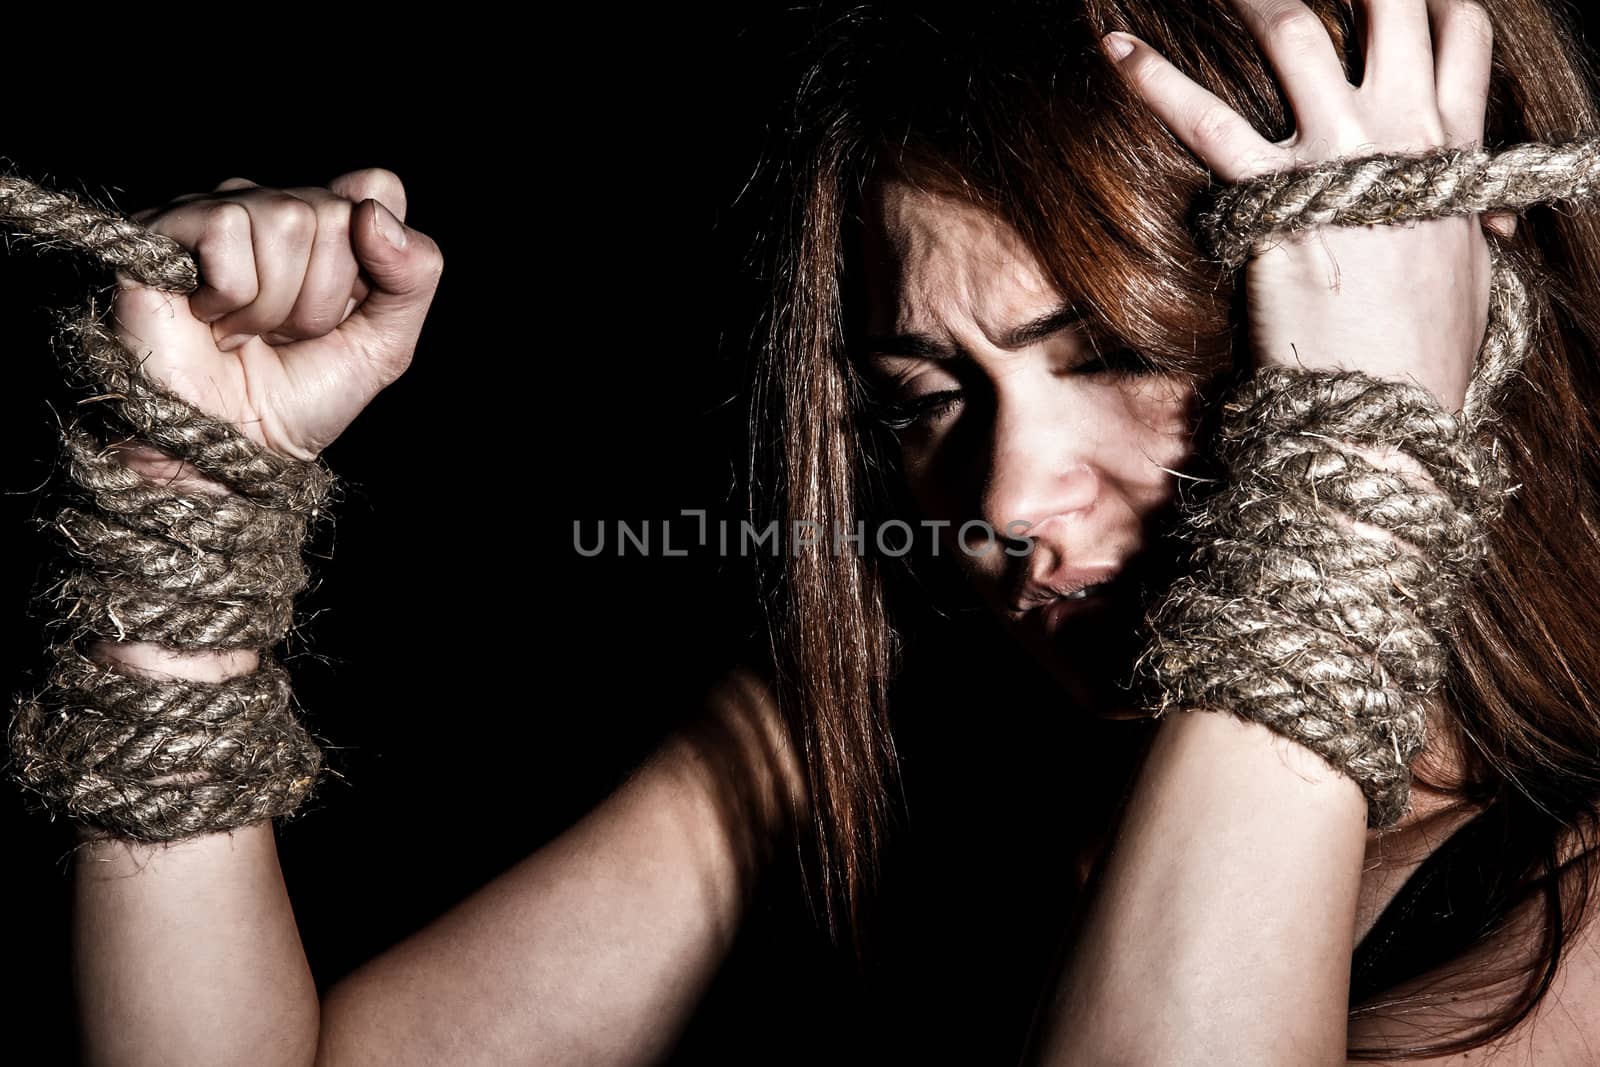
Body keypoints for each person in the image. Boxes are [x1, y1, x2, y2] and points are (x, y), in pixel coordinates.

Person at [39, 1, 1600, 1063]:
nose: (999, 505)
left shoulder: (1572, 911)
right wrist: (186, 544)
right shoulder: (854, 747)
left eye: (1118, 357)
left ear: (1426, 317)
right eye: (926, 400)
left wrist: (1350, 480)